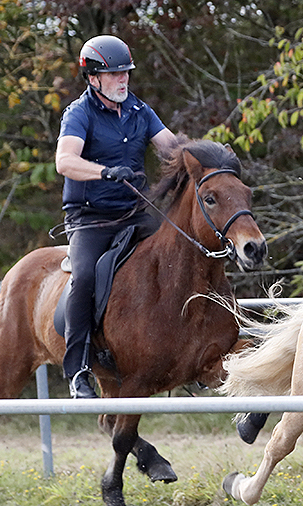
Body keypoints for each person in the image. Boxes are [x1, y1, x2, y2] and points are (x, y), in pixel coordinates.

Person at [55, 34, 179, 398]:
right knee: (86, 276)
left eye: (126, 72)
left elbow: (173, 148)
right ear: (93, 78)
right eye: (115, 74)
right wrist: (105, 172)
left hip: (134, 213)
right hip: (90, 218)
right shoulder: (80, 113)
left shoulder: (141, 111)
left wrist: (208, 161)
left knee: (177, 255)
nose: (124, 79)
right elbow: (65, 162)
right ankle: (78, 370)